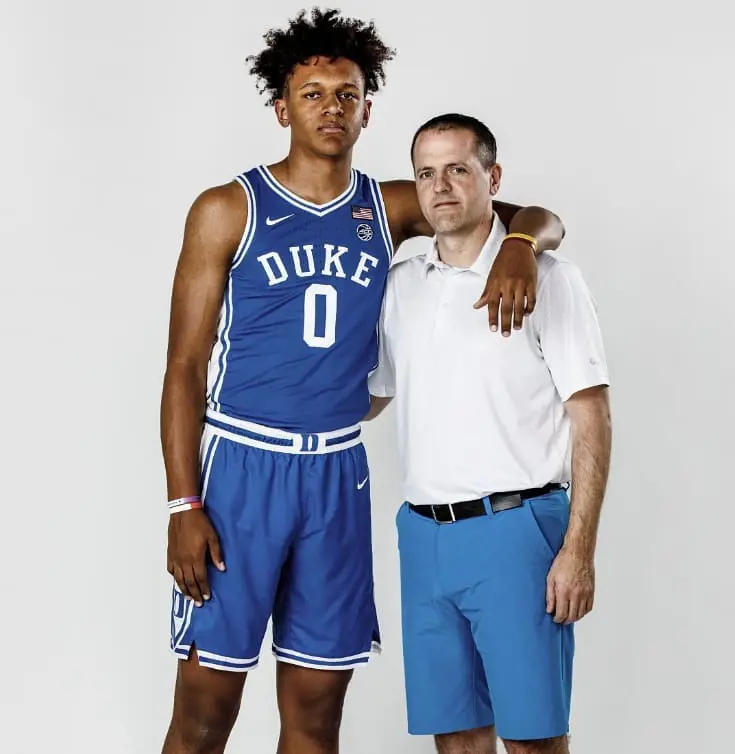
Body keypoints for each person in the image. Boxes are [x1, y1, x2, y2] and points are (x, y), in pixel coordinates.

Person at [159, 9, 566, 754]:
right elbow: (183, 366)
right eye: (312, 93)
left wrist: (518, 244)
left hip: (337, 474)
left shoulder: (388, 206)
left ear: (368, 108)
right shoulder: (229, 208)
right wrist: (184, 502)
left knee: (316, 718)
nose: (331, 108)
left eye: (346, 94)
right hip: (241, 468)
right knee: (205, 713)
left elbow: (538, 216)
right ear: (281, 107)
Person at [367, 113, 612, 754]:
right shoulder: (402, 289)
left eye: (458, 169)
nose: (441, 186)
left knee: (532, 739)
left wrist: (578, 549)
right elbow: (371, 399)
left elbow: (592, 416)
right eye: (426, 172)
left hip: (517, 532)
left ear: (491, 177)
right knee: (457, 738)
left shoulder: (551, 280)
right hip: (423, 535)